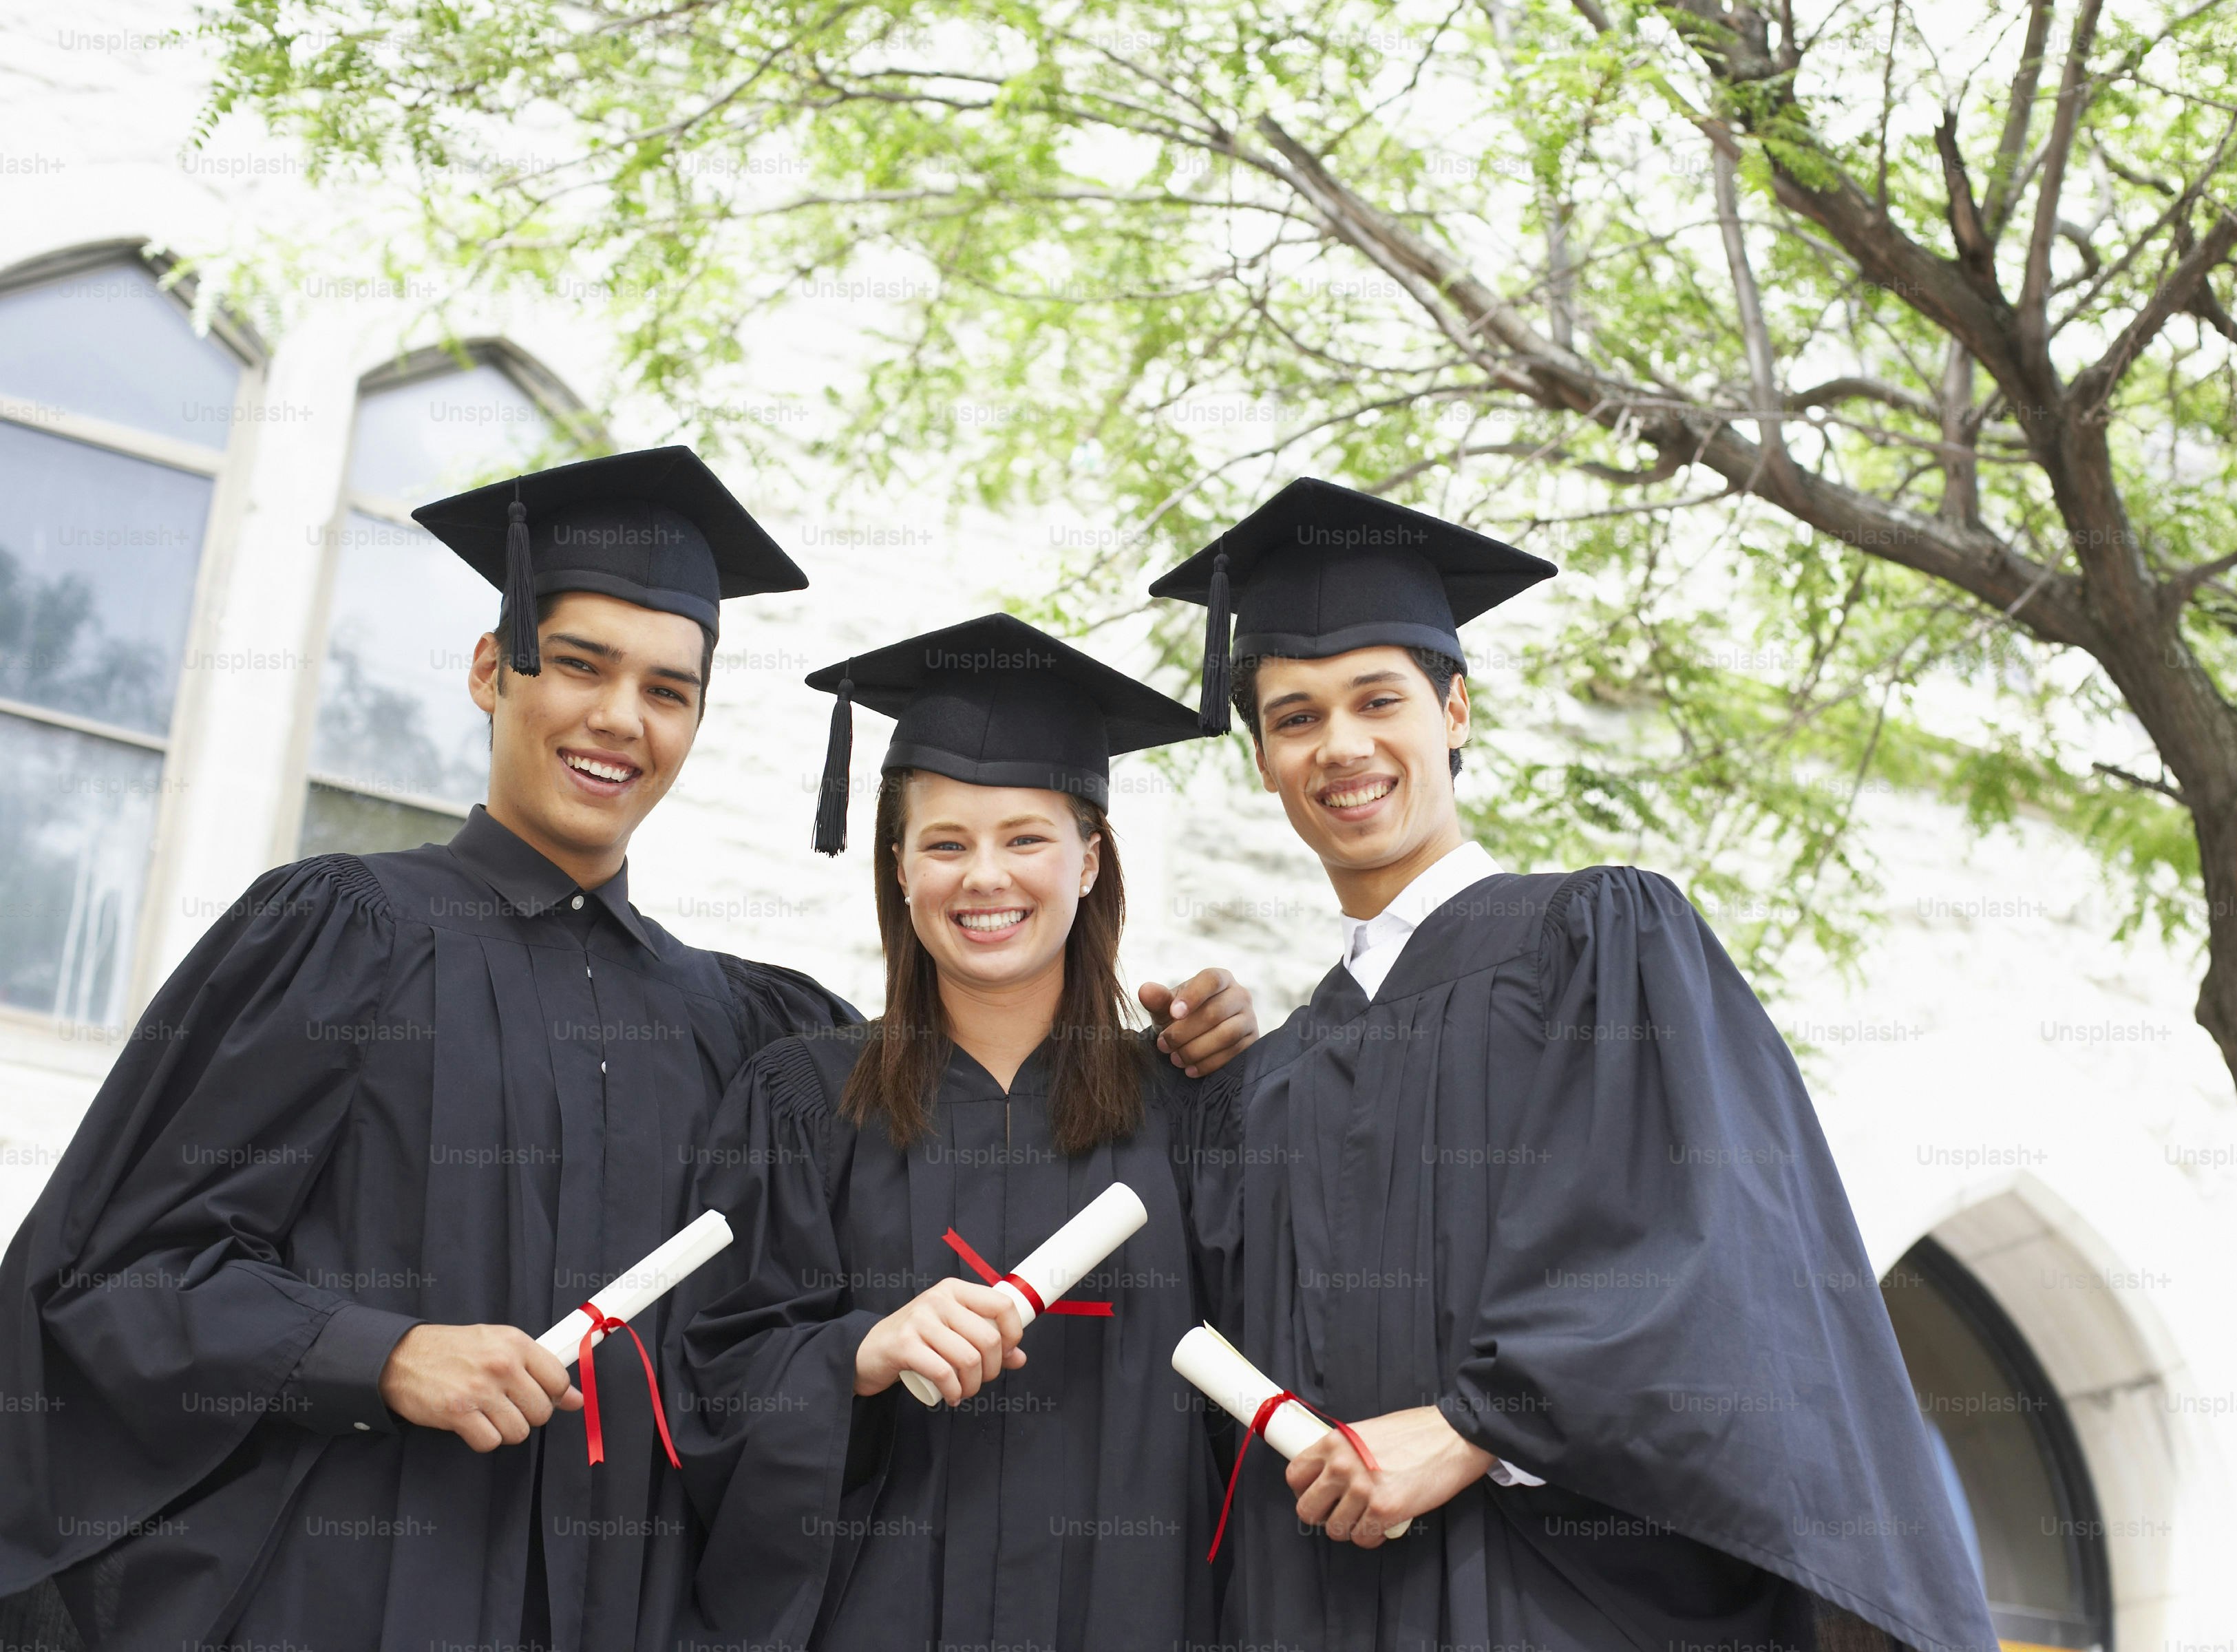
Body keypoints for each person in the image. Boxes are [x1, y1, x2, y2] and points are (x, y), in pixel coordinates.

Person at [0, 449, 1250, 1652]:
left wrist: (1198, 1041)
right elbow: (111, 1275)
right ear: (493, 670)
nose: (619, 719)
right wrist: (383, 1353)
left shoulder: (747, 1031)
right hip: (348, 1585)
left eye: (668, 689)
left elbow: (936, 1139)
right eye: (582, 666)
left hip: (622, 1606)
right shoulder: (343, 936)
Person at [1150, 478, 2000, 1652]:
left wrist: (1470, 1430)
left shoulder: (1598, 944)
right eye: (1295, 718)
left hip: (1561, 1600)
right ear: (1262, 761)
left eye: (1377, 699)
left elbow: (1707, 1246)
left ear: (1454, 709)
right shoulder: (1279, 1078)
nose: (1341, 747)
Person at [672, 612, 1240, 1651]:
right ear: (898, 867)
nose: (985, 877)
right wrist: (859, 1350)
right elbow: (706, 1382)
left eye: (1026, 837)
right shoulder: (803, 1100)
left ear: (1089, 860)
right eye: (945, 843)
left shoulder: (1195, 1108)